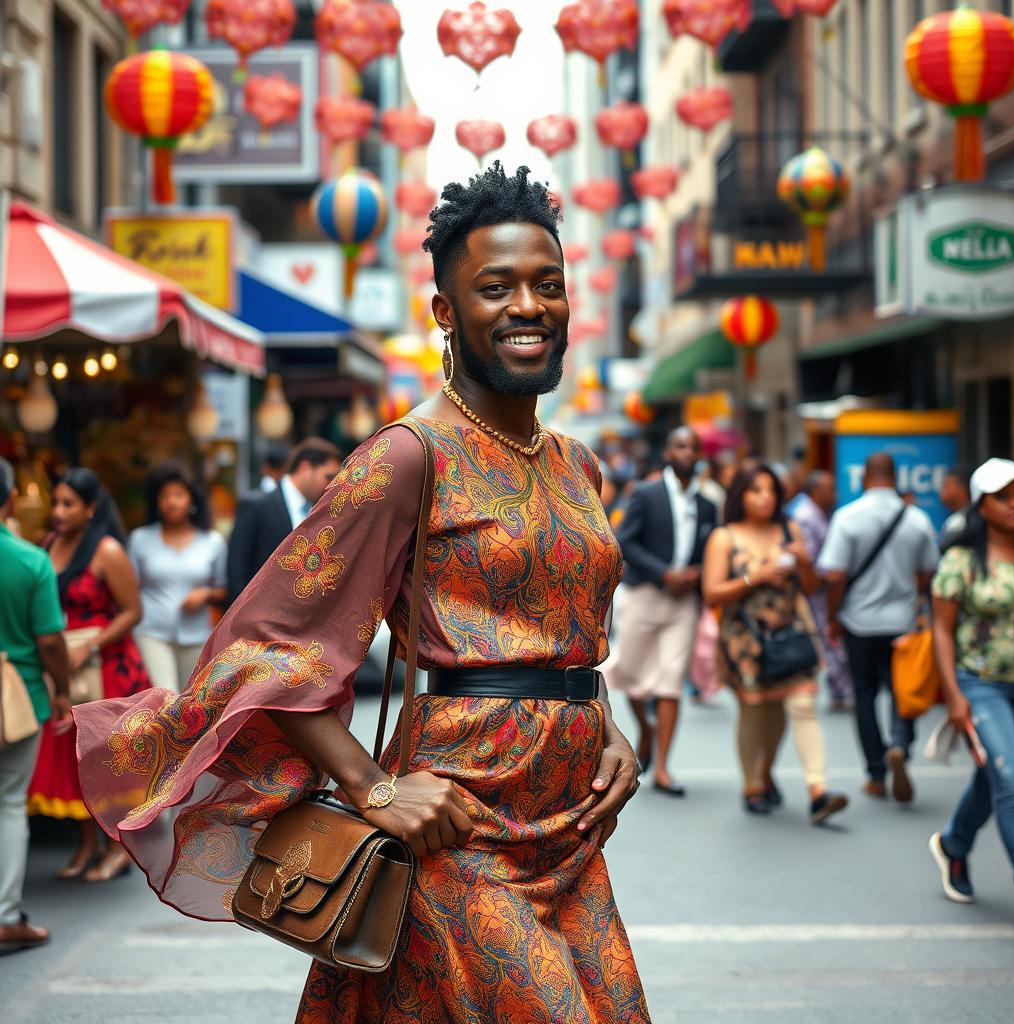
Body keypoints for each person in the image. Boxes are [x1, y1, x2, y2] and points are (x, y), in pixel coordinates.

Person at [73, 162, 649, 1021]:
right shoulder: (407, 456)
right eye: (496, 288)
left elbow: (563, 637)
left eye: (547, 285)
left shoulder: (578, 464)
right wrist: (373, 789)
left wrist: (607, 730)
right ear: (446, 314)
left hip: (572, 830)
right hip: (459, 826)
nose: (529, 306)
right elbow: (269, 640)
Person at [702, 462, 847, 824]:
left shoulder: (790, 529)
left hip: (792, 631)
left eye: (771, 490)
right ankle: (754, 782)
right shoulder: (725, 536)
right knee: (757, 709)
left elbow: (811, 588)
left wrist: (805, 563)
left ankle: (818, 791)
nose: (765, 498)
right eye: (756, 490)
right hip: (745, 638)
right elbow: (711, 593)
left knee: (800, 705)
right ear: (741, 495)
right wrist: (757, 577)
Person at [26, 468, 151, 883]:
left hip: (107, 668)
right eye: (55, 503)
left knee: (106, 761)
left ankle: (118, 849)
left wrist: (90, 644)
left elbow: (133, 611)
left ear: (90, 508)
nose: (58, 512)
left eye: (68, 504)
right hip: (65, 665)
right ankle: (86, 844)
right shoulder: (47, 545)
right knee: (72, 758)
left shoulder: (108, 550)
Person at [929, 458, 1014, 905]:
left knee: (995, 775)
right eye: (1003, 497)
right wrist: (953, 695)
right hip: (981, 683)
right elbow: (942, 631)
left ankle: (954, 845)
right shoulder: (961, 559)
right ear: (980, 504)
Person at [819, 453, 939, 802]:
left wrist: (832, 616)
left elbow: (835, 575)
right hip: (902, 622)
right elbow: (929, 569)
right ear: (895, 477)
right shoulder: (916, 519)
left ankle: (876, 772)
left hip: (859, 622)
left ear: (864, 478)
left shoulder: (847, 517)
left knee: (865, 695)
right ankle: (900, 744)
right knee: (905, 689)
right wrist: (915, 599)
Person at [604, 426, 717, 795]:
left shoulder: (708, 505)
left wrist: (698, 572)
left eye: (694, 447)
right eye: (681, 445)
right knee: (631, 675)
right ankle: (646, 728)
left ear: (700, 456)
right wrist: (663, 572)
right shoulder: (646, 494)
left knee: (670, 682)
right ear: (669, 452)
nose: (688, 452)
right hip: (643, 595)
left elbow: (711, 551)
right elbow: (625, 542)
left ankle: (664, 767)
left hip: (683, 604)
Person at [0, 458, 70, 952]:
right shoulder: (29, 561)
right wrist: (62, 689)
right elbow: (49, 640)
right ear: (8, 499)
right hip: (17, 696)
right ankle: (4, 915)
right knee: (8, 804)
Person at [129, 461, 228, 692]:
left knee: (191, 702)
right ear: (156, 501)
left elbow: (224, 589)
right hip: (151, 633)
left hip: (197, 635)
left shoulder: (212, 541)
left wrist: (205, 594)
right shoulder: (140, 539)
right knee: (165, 698)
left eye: (178, 494)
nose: (172, 501)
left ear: (192, 499)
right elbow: (129, 589)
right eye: (165, 495)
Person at [226, 437, 343, 604]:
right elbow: (236, 574)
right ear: (306, 468)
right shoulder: (256, 506)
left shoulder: (323, 512)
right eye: (329, 477)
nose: (331, 485)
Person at [789, 471, 854, 711]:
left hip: (823, 587)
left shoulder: (818, 514)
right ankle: (837, 687)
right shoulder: (806, 517)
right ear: (816, 491)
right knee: (826, 637)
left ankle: (839, 687)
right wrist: (831, 574)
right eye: (830, 489)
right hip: (816, 589)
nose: (834, 495)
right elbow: (810, 560)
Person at [938, 464, 973, 553]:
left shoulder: (958, 523)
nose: (941, 491)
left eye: (946, 486)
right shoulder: (955, 520)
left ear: (962, 488)